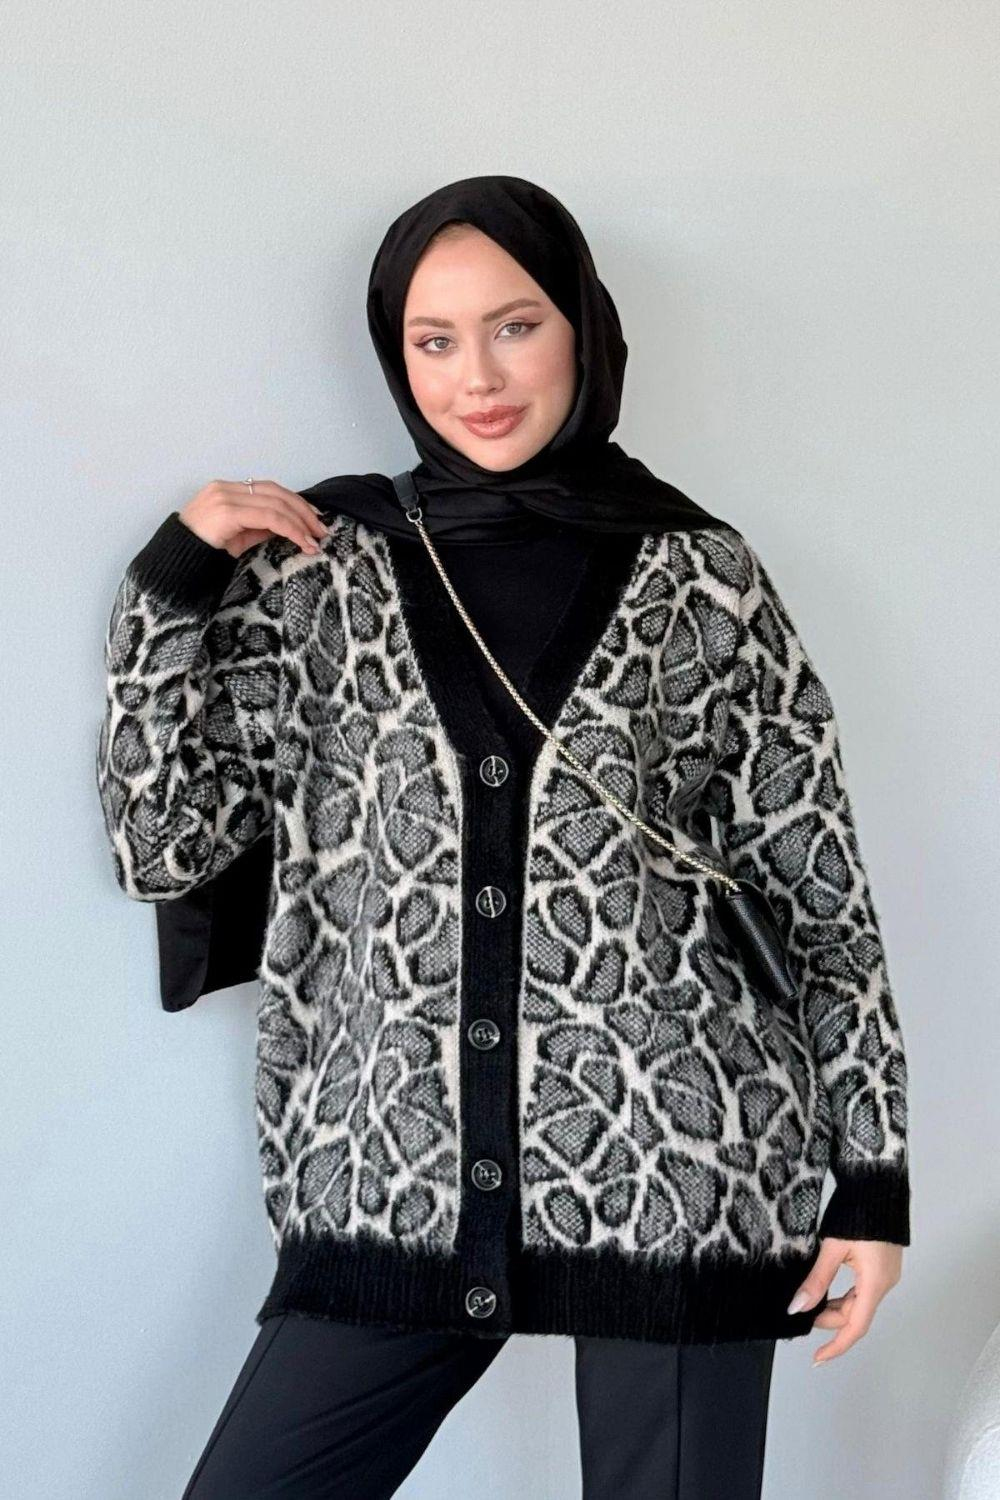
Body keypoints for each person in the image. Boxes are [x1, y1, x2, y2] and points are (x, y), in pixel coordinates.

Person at [96, 175, 911, 1499]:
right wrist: (173, 580)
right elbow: (163, 845)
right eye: (435, 340)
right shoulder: (326, 569)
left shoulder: (703, 576)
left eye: (515, 326)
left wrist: (872, 1181)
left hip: (679, 1159)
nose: (476, 377)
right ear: (396, 354)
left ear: (584, 329)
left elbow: (817, 892)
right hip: (391, 1170)